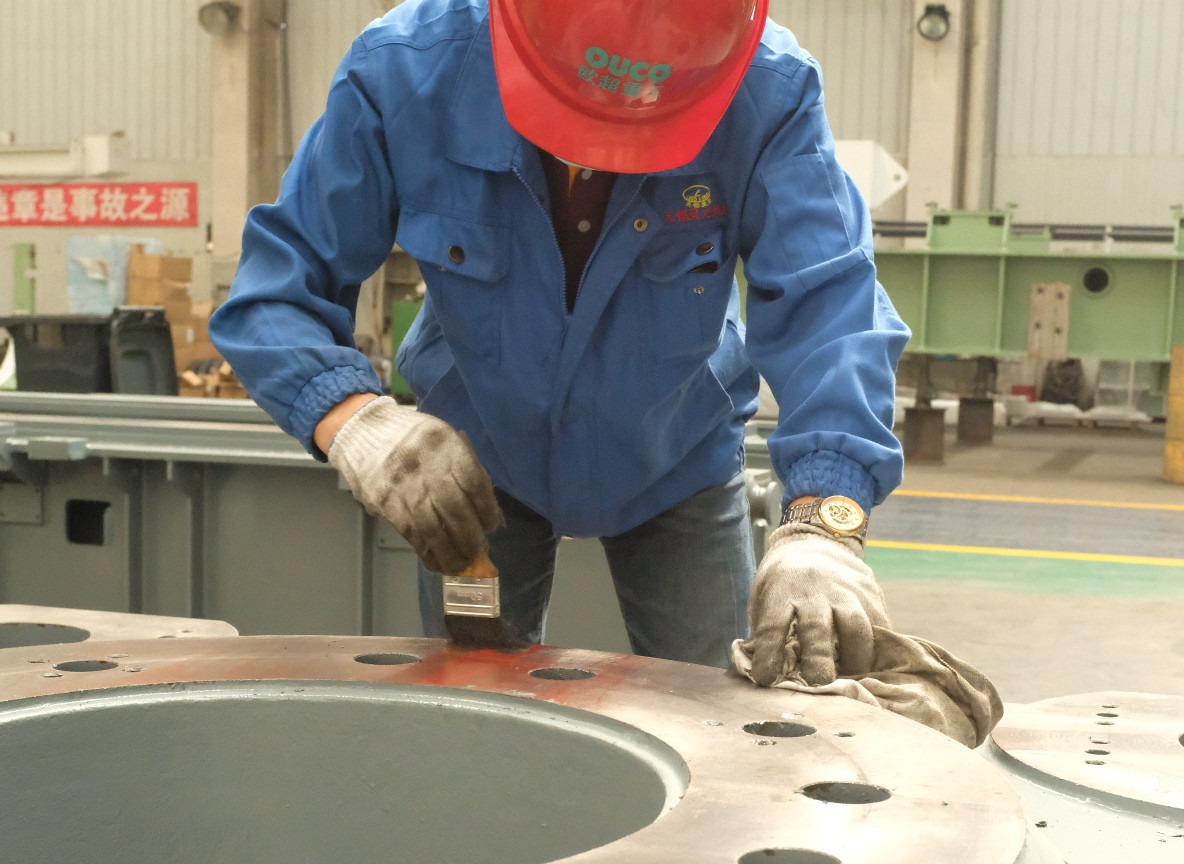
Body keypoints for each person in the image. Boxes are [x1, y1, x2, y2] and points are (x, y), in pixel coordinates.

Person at [210, 0, 909, 685]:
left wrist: (824, 521)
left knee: (720, 713)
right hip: (475, 458)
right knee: (473, 717)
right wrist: (354, 420)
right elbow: (277, 291)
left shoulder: (766, 90)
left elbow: (831, 307)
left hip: (675, 455)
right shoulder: (406, 72)